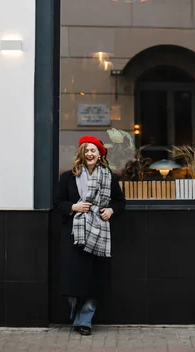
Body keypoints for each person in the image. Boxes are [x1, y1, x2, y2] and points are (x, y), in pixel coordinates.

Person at [54, 135, 126, 335]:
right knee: (73, 280)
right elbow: (58, 203)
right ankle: (77, 312)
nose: (89, 153)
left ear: (100, 154)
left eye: (93, 150)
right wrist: (74, 207)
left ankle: (84, 320)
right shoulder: (68, 177)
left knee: (93, 280)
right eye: (86, 150)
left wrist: (111, 210)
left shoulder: (110, 177)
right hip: (73, 234)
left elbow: (120, 202)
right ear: (81, 154)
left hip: (99, 233)